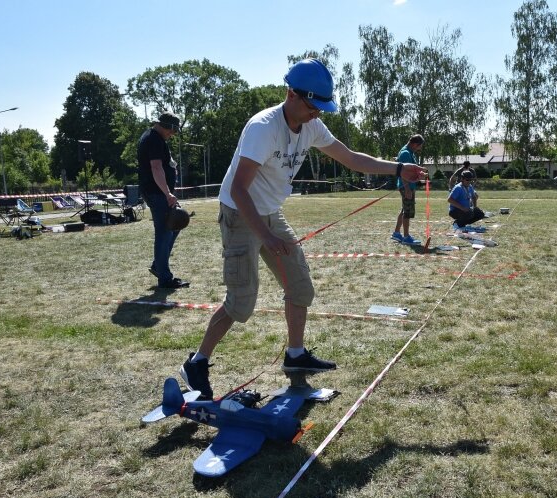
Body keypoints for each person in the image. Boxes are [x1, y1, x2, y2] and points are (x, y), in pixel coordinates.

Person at [179, 59, 428, 400]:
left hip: (270, 212)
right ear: (291, 95)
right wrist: (265, 235)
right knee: (241, 304)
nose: (317, 114)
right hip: (240, 213)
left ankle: (295, 356)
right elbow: (238, 189)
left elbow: (352, 158)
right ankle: (196, 362)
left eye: (322, 108)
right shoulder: (263, 128)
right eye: (313, 106)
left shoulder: (311, 126)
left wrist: (399, 168)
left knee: (300, 288)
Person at [137, 111, 189, 289]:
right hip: (158, 194)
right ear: (166, 126)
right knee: (165, 232)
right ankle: (164, 278)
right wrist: (167, 194)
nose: (172, 135)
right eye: (172, 131)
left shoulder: (154, 138)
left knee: (175, 225)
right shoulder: (153, 139)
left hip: (158, 193)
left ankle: (158, 265)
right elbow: (156, 167)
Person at [391, 134, 425, 245]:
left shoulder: (409, 152)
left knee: (404, 209)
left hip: (409, 186)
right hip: (406, 186)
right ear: (415, 144)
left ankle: (396, 233)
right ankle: (406, 237)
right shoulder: (405, 153)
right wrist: (407, 189)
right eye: (419, 146)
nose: (419, 149)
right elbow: (403, 172)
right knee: (407, 211)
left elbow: (410, 169)